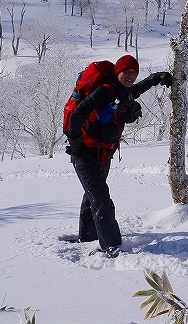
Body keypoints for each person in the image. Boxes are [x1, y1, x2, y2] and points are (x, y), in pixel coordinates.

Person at [64, 54, 172, 256]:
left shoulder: (124, 91)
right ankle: (111, 246)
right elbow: (77, 116)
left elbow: (136, 90)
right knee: (101, 198)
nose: (130, 76)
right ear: (117, 72)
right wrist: (76, 143)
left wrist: (156, 78)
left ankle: (88, 236)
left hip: (104, 152)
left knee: (93, 195)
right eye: (127, 72)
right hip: (85, 153)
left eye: (134, 72)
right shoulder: (105, 91)